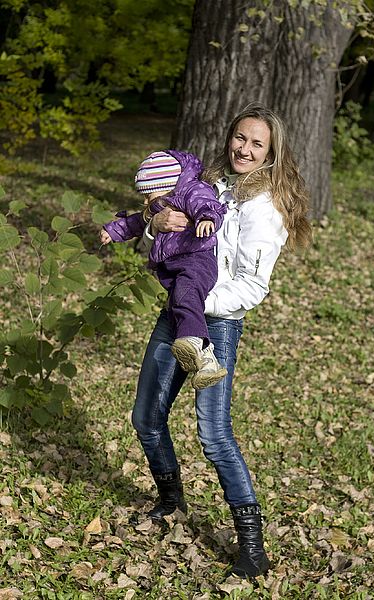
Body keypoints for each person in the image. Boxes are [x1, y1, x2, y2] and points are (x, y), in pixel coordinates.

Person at [130, 102, 311, 579]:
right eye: (240, 138)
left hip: (216, 324)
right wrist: (155, 223)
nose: (244, 149)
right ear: (228, 137)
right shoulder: (206, 185)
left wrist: (191, 301)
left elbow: (252, 287)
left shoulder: (264, 207)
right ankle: (171, 503)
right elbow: (168, 240)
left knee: (213, 434)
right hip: (176, 315)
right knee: (146, 418)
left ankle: (251, 542)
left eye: (257, 143)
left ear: (271, 153)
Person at [100, 149, 228, 390]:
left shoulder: (191, 190)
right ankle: (207, 362)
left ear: (169, 184)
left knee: (185, 295)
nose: (147, 202)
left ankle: (191, 340)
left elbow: (206, 204)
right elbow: (135, 222)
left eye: (150, 194)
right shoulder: (161, 205)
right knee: (180, 299)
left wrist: (207, 219)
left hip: (196, 259)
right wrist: (112, 231)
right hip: (173, 267)